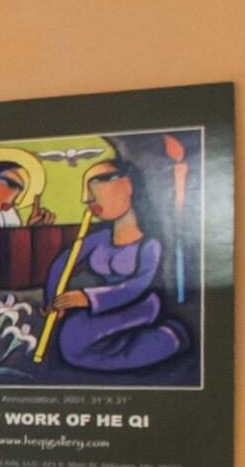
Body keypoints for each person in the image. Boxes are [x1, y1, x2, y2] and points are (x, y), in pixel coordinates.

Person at [46, 155, 189, 372]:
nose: (87, 198)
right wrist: (53, 299)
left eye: (96, 183)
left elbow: (138, 286)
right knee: (71, 338)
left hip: (138, 306)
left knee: (77, 346)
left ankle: (169, 338)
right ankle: (132, 344)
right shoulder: (99, 239)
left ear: (127, 185)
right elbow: (62, 264)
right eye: (86, 187)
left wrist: (87, 298)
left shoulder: (149, 244)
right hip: (104, 308)